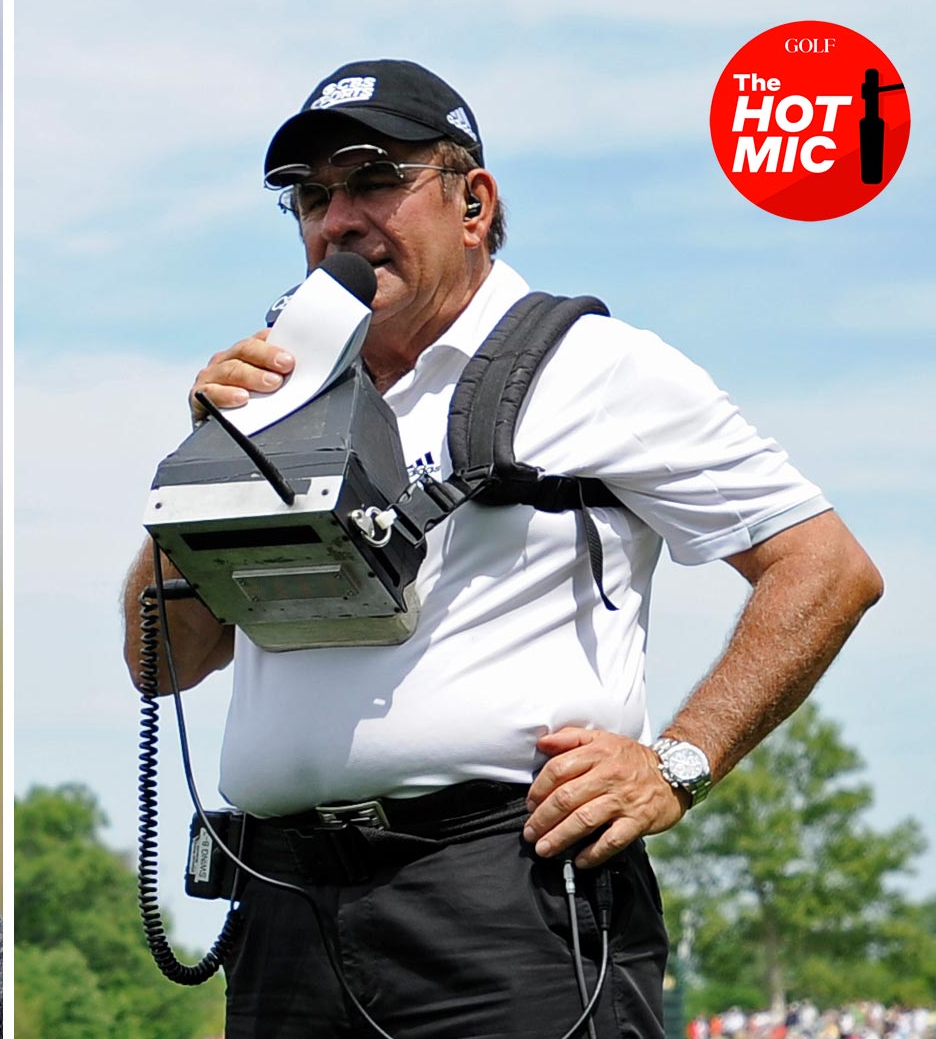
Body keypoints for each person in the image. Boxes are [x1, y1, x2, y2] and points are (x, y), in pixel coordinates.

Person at [120, 59, 881, 1037]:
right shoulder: (268, 392)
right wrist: (205, 466)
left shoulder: (595, 368)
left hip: (508, 904)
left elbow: (824, 568)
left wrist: (675, 765)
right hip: (282, 906)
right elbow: (161, 663)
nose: (335, 219)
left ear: (471, 201)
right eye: (309, 197)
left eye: (371, 179)